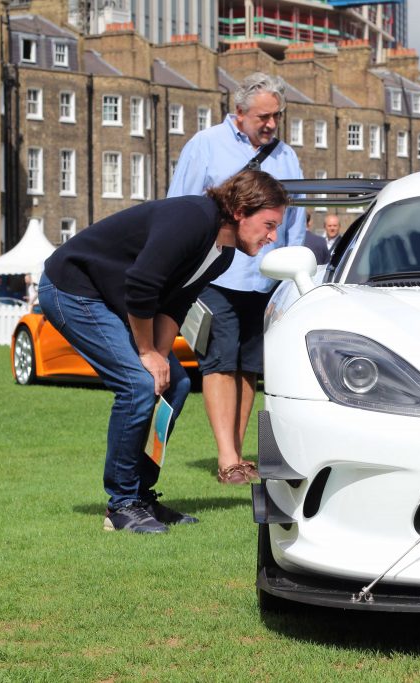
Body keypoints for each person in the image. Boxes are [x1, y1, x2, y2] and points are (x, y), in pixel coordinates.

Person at [39, 169, 288, 533]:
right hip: (72, 289)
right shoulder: (193, 219)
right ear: (241, 211)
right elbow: (141, 284)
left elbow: (176, 304)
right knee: (138, 386)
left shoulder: (222, 255)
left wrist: (159, 354)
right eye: (269, 224)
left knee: (176, 384)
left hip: (110, 300)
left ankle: (141, 496)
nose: (273, 236)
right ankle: (122, 506)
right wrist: (147, 352)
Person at [168, 72, 306, 487]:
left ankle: (238, 453)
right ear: (239, 113)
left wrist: (292, 272)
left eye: (276, 117)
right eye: (263, 116)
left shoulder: (287, 157)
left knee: (248, 367)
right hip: (216, 275)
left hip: (265, 282)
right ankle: (226, 458)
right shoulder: (205, 146)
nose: (270, 125)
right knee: (219, 362)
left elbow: (295, 220)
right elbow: (181, 207)